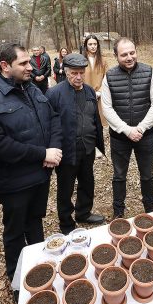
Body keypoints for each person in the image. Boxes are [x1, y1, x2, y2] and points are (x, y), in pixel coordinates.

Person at [0, 43, 62, 283]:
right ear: (5, 66)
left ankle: (41, 270)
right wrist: (43, 153)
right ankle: (18, 279)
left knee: (35, 223)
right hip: (14, 183)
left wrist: (54, 148)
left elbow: (52, 118)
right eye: (23, 63)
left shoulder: (32, 89)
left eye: (29, 61)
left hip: (41, 176)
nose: (30, 66)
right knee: (14, 232)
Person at [101, 37, 153, 219]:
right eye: (124, 54)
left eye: (132, 52)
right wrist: (127, 130)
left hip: (146, 136)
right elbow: (107, 107)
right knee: (119, 175)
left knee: (147, 175)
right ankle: (118, 212)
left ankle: (149, 210)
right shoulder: (109, 77)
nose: (129, 57)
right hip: (120, 138)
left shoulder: (150, 72)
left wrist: (141, 128)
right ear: (116, 56)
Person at [46, 53, 105, 234]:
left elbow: (94, 118)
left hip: (87, 148)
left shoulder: (88, 91)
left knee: (87, 182)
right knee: (66, 187)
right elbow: (48, 125)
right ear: (65, 71)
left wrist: (98, 143)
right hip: (66, 151)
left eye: (81, 73)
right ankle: (66, 223)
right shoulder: (54, 94)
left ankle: (83, 212)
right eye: (74, 73)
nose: (78, 77)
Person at [83, 34, 108, 158]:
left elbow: (106, 78)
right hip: (84, 94)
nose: (93, 46)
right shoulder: (81, 59)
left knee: (99, 122)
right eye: (90, 44)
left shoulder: (103, 60)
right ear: (86, 46)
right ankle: (89, 146)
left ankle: (99, 146)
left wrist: (100, 92)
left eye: (95, 44)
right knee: (86, 122)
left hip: (99, 96)